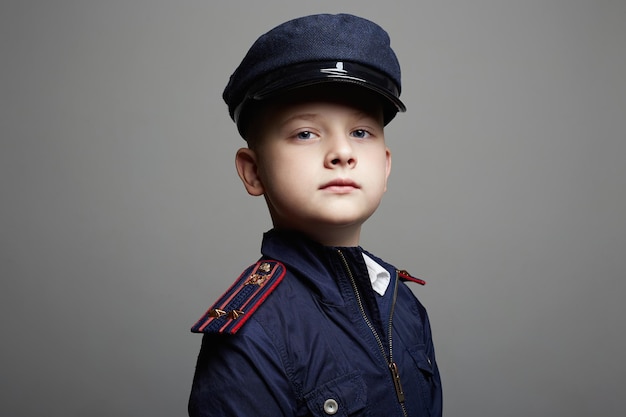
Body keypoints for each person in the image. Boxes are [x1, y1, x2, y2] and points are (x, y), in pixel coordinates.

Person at [188, 13, 442, 417]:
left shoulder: (403, 302)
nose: (343, 153)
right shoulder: (253, 334)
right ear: (253, 172)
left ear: (386, 166)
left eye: (361, 132)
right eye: (305, 133)